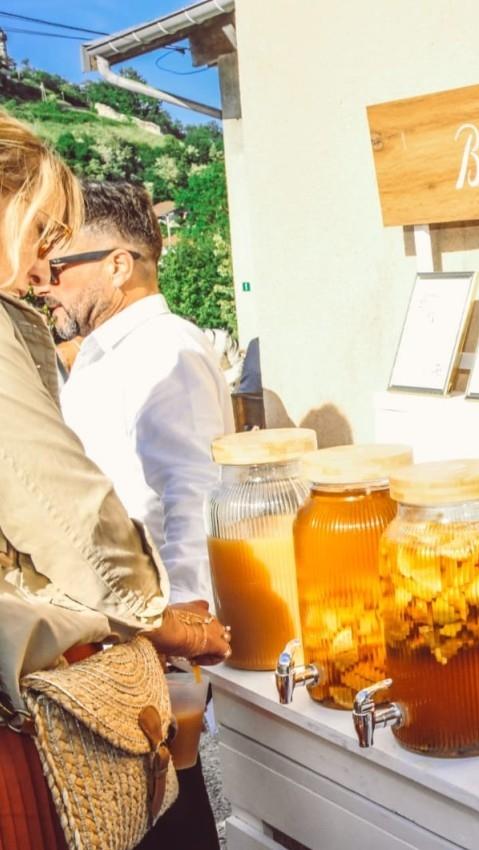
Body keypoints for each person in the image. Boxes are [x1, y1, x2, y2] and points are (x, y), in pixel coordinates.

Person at [0, 108, 228, 849]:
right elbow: (53, 497)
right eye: (41, 239)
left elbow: (188, 491)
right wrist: (155, 617)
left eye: (59, 254)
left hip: (131, 639)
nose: (42, 274)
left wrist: (177, 619)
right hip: (107, 640)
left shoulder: (166, 350)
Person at [32, 181, 234, 604]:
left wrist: (187, 620)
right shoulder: (108, 353)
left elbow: (194, 493)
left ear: (118, 266)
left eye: (56, 269)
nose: (42, 287)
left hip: (158, 631)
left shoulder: (164, 349)